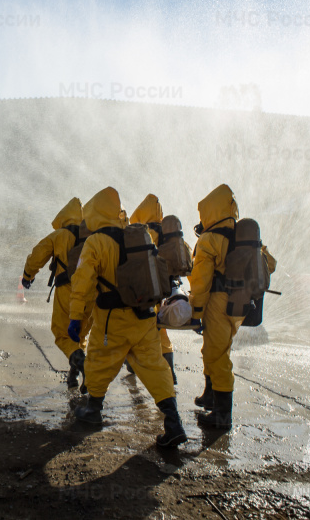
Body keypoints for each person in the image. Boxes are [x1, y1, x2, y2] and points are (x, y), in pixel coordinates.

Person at [68, 187, 187, 448]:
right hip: (145, 318)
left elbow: (82, 283)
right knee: (155, 368)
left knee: (100, 360)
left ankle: (93, 410)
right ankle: (174, 422)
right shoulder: (138, 235)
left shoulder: (96, 242)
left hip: (113, 320)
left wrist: (76, 317)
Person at [188, 184, 276, 429]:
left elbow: (201, 281)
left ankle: (222, 416)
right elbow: (271, 263)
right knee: (214, 350)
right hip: (238, 304)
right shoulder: (243, 236)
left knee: (218, 357)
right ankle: (210, 397)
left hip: (216, 304)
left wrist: (195, 312)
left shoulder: (208, 240)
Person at [22, 198, 93, 388]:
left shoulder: (60, 235)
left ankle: (82, 364)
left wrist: (27, 275)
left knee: (61, 333)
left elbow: (38, 255)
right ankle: (74, 374)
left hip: (68, 290)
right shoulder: (93, 236)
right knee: (80, 334)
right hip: (91, 292)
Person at [129, 194, 178, 384]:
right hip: (166, 289)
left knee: (138, 328)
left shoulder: (144, 233)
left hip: (148, 289)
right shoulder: (170, 233)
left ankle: (136, 365)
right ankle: (170, 370)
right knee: (161, 330)